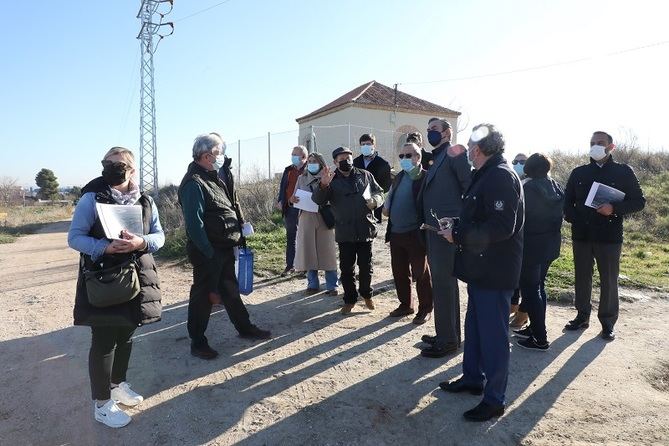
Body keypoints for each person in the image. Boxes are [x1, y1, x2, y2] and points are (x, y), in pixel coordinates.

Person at [68, 147, 164, 428]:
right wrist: (104, 247)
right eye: (107, 163)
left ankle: (118, 384)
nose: (111, 167)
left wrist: (141, 243)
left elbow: (160, 235)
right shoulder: (91, 198)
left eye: (118, 164)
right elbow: (75, 238)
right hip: (105, 281)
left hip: (137, 279)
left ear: (131, 169)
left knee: (126, 334)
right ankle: (101, 404)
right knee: (104, 341)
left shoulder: (145, 200)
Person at [439, 123, 524, 422]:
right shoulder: (485, 174)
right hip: (481, 269)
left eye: (470, 148)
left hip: (494, 270)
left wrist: (458, 235)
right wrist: (457, 224)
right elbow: (480, 216)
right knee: (475, 328)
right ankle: (472, 378)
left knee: (493, 336)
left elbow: (502, 227)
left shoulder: (500, 176)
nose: (468, 154)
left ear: (477, 149)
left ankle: (495, 399)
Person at [178, 133, 270, 360]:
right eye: (219, 153)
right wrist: (208, 252)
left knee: (230, 290)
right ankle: (198, 342)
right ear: (208, 156)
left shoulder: (212, 176)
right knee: (202, 298)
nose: (222, 157)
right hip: (207, 251)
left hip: (224, 246)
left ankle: (245, 328)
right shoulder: (193, 183)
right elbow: (194, 225)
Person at [563, 131, 645, 341]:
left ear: (611, 147)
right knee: (582, 277)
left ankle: (607, 323)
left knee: (608, 279)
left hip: (609, 236)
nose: (595, 146)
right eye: (592, 143)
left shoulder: (623, 172)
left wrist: (614, 208)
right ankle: (582, 316)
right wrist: (574, 217)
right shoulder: (578, 172)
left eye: (600, 143)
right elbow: (567, 203)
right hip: (582, 234)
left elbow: (638, 201)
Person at [419, 117, 471, 358]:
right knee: (440, 284)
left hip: (446, 230)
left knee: (444, 284)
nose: (430, 133)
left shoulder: (455, 153)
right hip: (434, 230)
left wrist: (458, 223)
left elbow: (469, 189)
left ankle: (448, 340)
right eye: (428, 130)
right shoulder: (438, 157)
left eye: (435, 130)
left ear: (448, 133)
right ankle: (446, 334)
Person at [312, 146, 384, 314]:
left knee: (366, 267)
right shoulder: (330, 179)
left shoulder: (365, 175)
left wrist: (375, 200)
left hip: (366, 229)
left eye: (349, 158)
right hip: (345, 232)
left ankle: (367, 295)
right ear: (335, 162)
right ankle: (350, 300)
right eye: (342, 159)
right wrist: (323, 185)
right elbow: (318, 200)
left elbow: (379, 192)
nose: (347, 161)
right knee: (347, 269)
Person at [512, 153, 564, 351]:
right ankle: (534, 328)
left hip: (531, 246)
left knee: (531, 291)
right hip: (550, 245)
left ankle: (540, 338)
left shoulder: (528, 188)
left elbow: (521, 218)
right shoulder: (556, 186)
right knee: (539, 287)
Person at [383, 142, 433, 324]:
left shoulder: (426, 178)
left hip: (415, 234)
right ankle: (406, 305)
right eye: (402, 156)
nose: (404, 159)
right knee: (400, 272)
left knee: (421, 273)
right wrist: (386, 207)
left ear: (418, 157)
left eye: (409, 155)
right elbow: (390, 197)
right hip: (396, 233)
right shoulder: (398, 177)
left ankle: (426, 308)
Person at [289, 152, 338, 296]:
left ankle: (332, 285)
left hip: (324, 217)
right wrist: (292, 200)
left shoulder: (330, 177)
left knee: (327, 252)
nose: (311, 163)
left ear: (321, 163)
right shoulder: (301, 178)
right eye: (309, 161)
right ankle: (312, 284)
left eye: (314, 161)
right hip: (306, 217)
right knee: (308, 250)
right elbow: (294, 197)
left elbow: (334, 197)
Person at [276, 145, 308, 275]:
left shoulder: (310, 169)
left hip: (306, 208)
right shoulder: (288, 170)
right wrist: (280, 200)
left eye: (296, 154)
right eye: (292, 154)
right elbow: (283, 186)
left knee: (305, 237)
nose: (293, 157)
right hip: (290, 207)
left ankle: (306, 266)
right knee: (291, 236)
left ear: (304, 157)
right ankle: (290, 265)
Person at [353, 133, 392, 222]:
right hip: (357, 203)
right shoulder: (355, 163)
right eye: (363, 144)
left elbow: (386, 185)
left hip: (374, 204)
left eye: (368, 144)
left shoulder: (383, 164)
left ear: (374, 145)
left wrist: (374, 195)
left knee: (373, 230)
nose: (365, 146)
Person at [509, 152, 529, 328]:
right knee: (515, 275)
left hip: (530, 239)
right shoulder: (514, 180)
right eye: (516, 161)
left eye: (523, 162)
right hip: (516, 239)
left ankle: (523, 313)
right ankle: (513, 305)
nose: (518, 164)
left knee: (526, 279)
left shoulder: (532, 184)